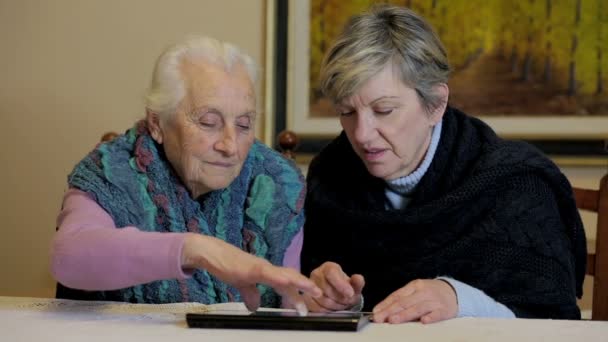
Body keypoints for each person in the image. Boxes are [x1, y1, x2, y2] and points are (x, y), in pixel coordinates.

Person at [300, 5, 586, 323]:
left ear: (435, 104)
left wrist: (461, 299)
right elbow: (326, 302)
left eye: (384, 110)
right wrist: (334, 300)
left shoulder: (516, 185)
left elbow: (553, 321)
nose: (362, 135)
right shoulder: (328, 175)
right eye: (346, 112)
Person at [50, 35, 321, 311]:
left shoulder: (276, 181)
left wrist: (315, 298)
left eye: (243, 124)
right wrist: (197, 250)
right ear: (157, 123)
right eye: (209, 122)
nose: (230, 146)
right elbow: (67, 257)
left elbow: (286, 300)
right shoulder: (109, 173)